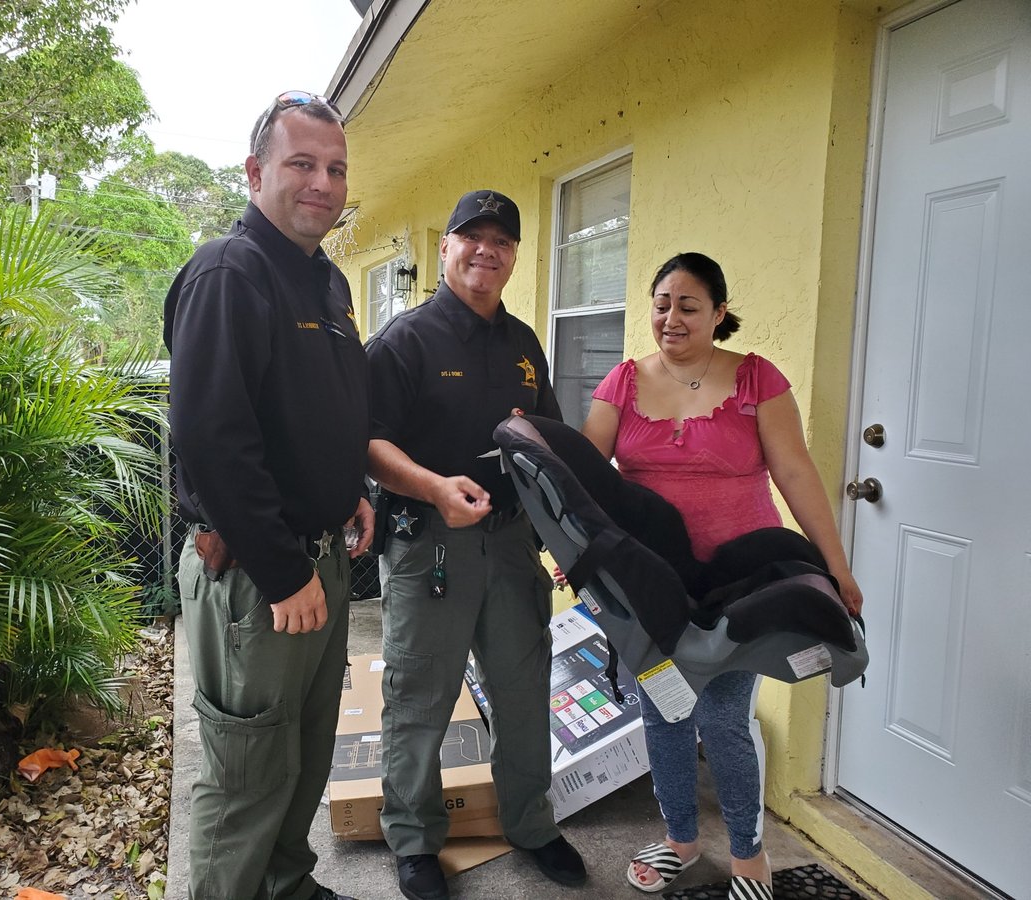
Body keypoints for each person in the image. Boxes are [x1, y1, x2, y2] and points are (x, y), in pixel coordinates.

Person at [578, 252, 864, 899]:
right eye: (661, 304)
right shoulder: (621, 383)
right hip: (653, 588)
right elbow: (582, 478)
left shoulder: (758, 380)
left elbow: (795, 474)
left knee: (721, 717)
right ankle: (681, 838)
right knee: (663, 713)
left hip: (738, 586)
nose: (670, 318)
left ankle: (748, 853)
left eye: (688, 305)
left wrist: (836, 566)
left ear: (719, 313)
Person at [163, 91, 374, 900]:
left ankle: (285, 884)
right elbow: (214, 442)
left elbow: (324, 409)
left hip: (318, 556)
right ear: (256, 172)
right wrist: (285, 573)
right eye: (302, 164)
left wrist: (350, 490)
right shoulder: (229, 272)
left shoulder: (328, 286)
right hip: (259, 573)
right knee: (248, 768)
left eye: (335, 168)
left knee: (306, 751)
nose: (323, 182)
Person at [365, 190, 587, 900]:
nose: (486, 250)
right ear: (445, 247)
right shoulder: (405, 340)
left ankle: (531, 824)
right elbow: (368, 444)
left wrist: (569, 538)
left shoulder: (524, 344)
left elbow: (546, 438)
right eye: (472, 237)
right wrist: (433, 487)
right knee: (419, 701)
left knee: (524, 695)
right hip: (429, 548)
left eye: (502, 240)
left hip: (512, 545)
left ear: (516, 255)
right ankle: (414, 841)